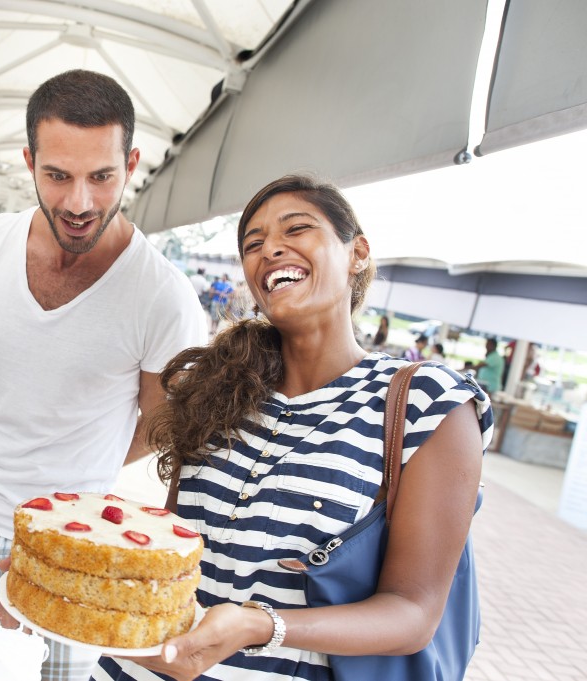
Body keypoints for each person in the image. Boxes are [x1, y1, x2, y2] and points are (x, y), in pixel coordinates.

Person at [93, 175, 492, 681]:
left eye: (296, 229)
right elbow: (177, 547)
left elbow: (412, 614)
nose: (270, 249)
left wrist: (262, 625)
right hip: (137, 669)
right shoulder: (219, 386)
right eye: (253, 244)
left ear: (358, 253)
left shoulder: (425, 402)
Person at [0, 69, 206, 681]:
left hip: (70, 549)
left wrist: (73, 476)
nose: (79, 203)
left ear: (130, 164)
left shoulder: (163, 296)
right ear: (29, 161)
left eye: (101, 177)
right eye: (57, 175)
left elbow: (159, 427)